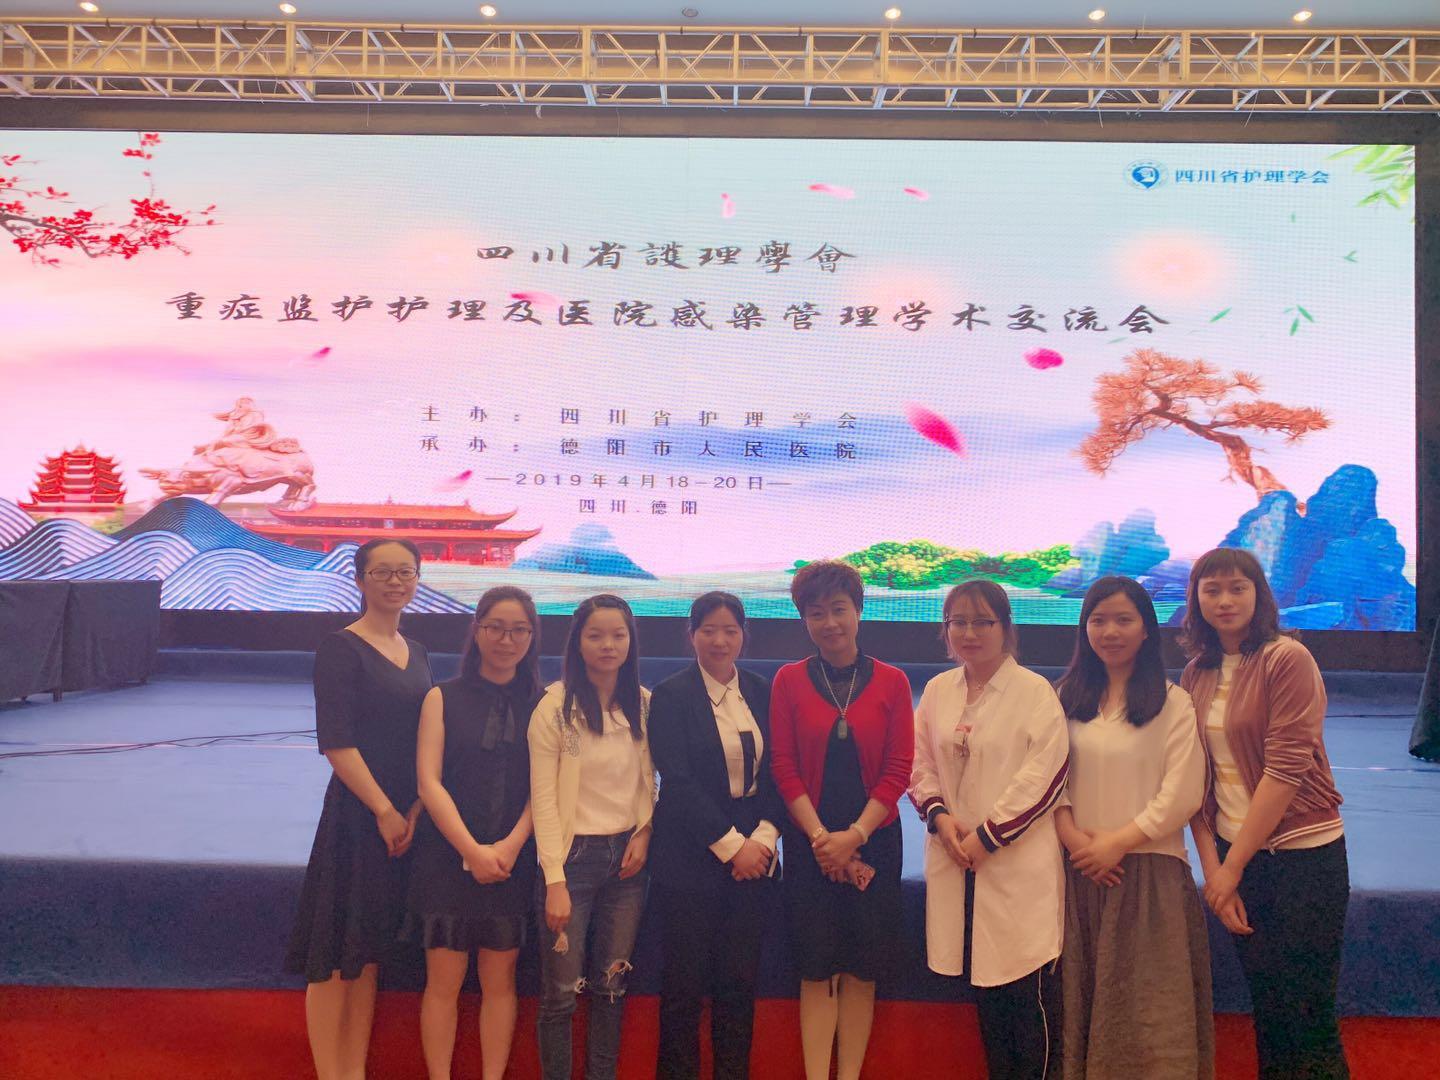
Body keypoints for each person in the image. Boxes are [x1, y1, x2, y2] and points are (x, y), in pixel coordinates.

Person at [1181, 548, 1349, 1080]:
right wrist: (1216, 872)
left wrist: (1230, 870)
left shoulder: (1287, 658)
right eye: (1212, 590)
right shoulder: (1196, 672)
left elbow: (1285, 771)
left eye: (1238, 588)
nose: (1225, 600)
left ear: (1259, 595)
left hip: (1303, 859)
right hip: (1236, 859)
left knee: (1307, 1014)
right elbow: (1195, 782)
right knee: (1270, 1008)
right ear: (1196, 600)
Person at [284, 538, 434, 1080]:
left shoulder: (417, 651)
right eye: (382, 572)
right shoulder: (340, 648)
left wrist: (415, 807)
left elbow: (426, 738)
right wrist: (384, 810)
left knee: (368, 954)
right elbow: (337, 742)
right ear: (359, 580)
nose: (395, 581)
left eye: (405, 572)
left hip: (407, 819)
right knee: (333, 956)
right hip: (358, 816)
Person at [1053, 576, 1213, 1079]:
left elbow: (1183, 793)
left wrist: (1117, 844)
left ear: (1146, 629)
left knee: (1149, 1025)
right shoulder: (1063, 698)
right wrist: (1076, 842)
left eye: (1124, 620)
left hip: (1148, 877)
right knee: (1080, 1013)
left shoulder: (1173, 702)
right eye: (1098, 620)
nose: (1110, 632)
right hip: (1078, 875)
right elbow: (1046, 782)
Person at [909, 579, 1067, 1080]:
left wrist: (986, 837)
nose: (969, 632)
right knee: (988, 1004)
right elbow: (919, 764)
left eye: (983, 622)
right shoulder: (938, 691)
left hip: (1014, 865)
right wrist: (939, 817)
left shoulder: (1034, 692)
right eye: (958, 622)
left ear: (1005, 627)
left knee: (1027, 1003)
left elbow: (1045, 775)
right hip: (958, 862)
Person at [768, 560, 914, 1080]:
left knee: (861, 969)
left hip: (875, 840)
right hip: (810, 843)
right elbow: (783, 766)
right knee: (815, 968)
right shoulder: (788, 680)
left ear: (858, 611)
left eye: (839, 609)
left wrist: (854, 836)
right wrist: (820, 839)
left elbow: (898, 770)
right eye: (816, 613)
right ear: (803, 619)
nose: (829, 622)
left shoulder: (893, 681)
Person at [404, 586, 543, 1080]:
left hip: (512, 858)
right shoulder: (441, 697)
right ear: (477, 630)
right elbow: (429, 782)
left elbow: (546, 787)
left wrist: (509, 846)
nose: (507, 640)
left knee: (500, 982)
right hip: (445, 857)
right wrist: (470, 850)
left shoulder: (545, 704)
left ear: (532, 636)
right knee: (442, 983)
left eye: (519, 630)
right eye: (496, 628)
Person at [649, 592, 783, 1080]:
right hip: (689, 857)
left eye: (730, 630)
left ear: (744, 635)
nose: (720, 641)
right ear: (692, 636)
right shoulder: (670, 695)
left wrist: (763, 840)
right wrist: (732, 847)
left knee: (739, 986)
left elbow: (781, 771)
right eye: (708, 630)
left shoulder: (763, 691)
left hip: (755, 858)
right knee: (683, 990)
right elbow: (677, 780)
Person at [529, 594, 656, 1080]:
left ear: (631, 642)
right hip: (571, 861)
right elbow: (543, 799)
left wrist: (645, 830)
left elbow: (652, 780)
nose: (608, 645)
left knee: (611, 988)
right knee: (561, 995)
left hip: (626, 862)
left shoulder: (644, 704)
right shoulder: (554, 708)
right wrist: (554, 879)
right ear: (577, 642)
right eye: (596, 635)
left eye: (618, 635)